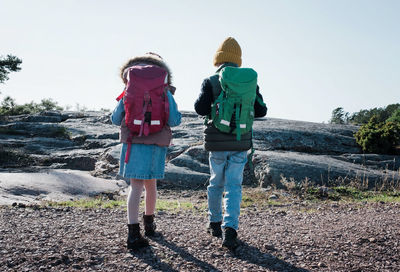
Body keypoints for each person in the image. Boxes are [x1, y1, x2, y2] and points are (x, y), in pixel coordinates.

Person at [194, 37, 267, 250]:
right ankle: (230, 230)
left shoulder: (211, 80)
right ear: (238, 60)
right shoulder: (249, 81)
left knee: (216, 182)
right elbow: (262, 110)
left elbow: (199, 108)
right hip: (240, 142)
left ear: (218, 59)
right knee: (234, 185)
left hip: (216, 142)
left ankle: (214, 223)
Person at [111, 53, 181, 250]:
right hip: (156, 144)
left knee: (135, 186)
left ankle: (133, 233)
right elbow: (175, 120)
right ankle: (149, 225)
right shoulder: (164, 90)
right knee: (151, 185)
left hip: (133, 142)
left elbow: (115, 119)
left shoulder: (129, 89)